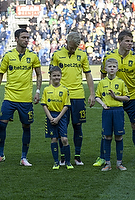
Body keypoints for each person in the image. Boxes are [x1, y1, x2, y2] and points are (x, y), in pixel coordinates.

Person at [94, 30, 135, 167]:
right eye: (127, 41)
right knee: (107, 128)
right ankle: (102, 157)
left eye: (132, 41)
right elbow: (102, 74)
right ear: (119, 42)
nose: (130, 44)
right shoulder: (109, 56)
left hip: (131, 97)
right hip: (113, 99)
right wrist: (104, 92)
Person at [0, 28, 42, 167]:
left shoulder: (33, 56)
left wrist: (37, 91)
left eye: (27, 37)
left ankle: (23, 157)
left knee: (26, 126)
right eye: (24, 37)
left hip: (25, 98)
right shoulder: (8, 56)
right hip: (10, 96)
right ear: (16, 39)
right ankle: (0, 154)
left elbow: (38, 74)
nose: (26, 40)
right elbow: (0, 74)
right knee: (2, 124)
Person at [50, 32, 96, 166]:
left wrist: (92, 94)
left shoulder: (82, 55)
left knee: (78, 125)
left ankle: (77, 155)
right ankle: (63, 156)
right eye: (71, 47)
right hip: (62, 96)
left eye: (75, 47)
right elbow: (53, 75)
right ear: (67, 42)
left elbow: (88, 75)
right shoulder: (57, 55)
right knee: (61, 127)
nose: (73, 49)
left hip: (78, 96)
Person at [95, 58, 130, 171]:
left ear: (117, 69)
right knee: (107, 136)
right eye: (109, 67)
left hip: (118, 110)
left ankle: (119, 163)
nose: (112, 69)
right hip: (107, 111)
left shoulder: (120, 82)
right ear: (105, 69)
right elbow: (97, 96)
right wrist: (103, 104)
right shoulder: (102, 82)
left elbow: (127, 97)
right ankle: (107, 163)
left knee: (119, 136)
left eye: (114, 67)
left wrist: (116, 97)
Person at [41, 66, 73, 170]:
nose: (56, 78)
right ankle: (56, 162)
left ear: (61, 76)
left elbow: (66, 105)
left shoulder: (64, 90)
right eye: (54, 76)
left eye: (58, 75)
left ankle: (68, 162)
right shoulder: (46, 89)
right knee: (54, 139)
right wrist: (50, 117)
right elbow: (44, 104)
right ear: (50, 76)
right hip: (51, 116)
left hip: (61, 116)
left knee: (64, 139)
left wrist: (58, 118)